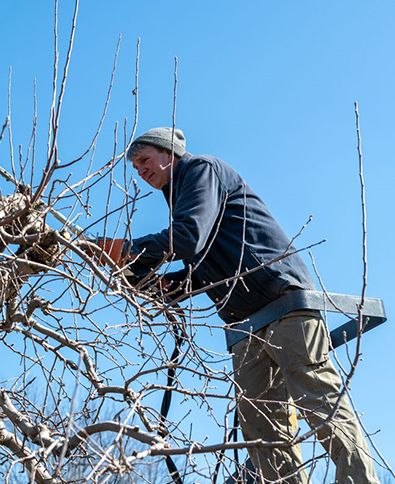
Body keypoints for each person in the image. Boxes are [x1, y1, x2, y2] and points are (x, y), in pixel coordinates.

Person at [96, 127, 380, 483]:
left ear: (169, 153)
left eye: (144, 160)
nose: (140, 170)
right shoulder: (181, 198)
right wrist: (164, 285)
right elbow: (203, 266)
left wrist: (126, 249)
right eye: (135, 167)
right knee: (262, 428)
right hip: (245, 325)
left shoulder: (201, 170)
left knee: (319, 401)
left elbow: (187, 237)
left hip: (284, 302)